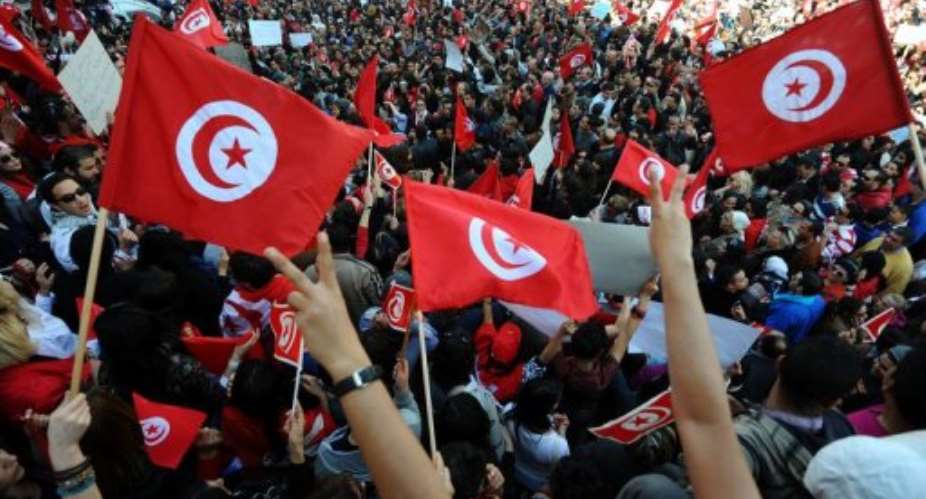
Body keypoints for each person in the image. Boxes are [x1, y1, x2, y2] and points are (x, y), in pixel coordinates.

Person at [265, 233, 450, 499]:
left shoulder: (328, 455)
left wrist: (297, 455)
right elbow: (429, 342)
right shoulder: (408, 423)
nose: (359, 485)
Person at [507, 377, 570, 492]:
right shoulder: (558, 445)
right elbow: (561, 470)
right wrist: (562, 433)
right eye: (556, 402)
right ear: (551, 408)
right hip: (538, 483)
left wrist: (550, 420)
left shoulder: (509, 414)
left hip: (516, 470)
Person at [764, 271, 826, 344]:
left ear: (800, 289)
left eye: (795, 279)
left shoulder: (788, 312)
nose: (792, 276)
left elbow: (768, 331)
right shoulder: (819, 300)